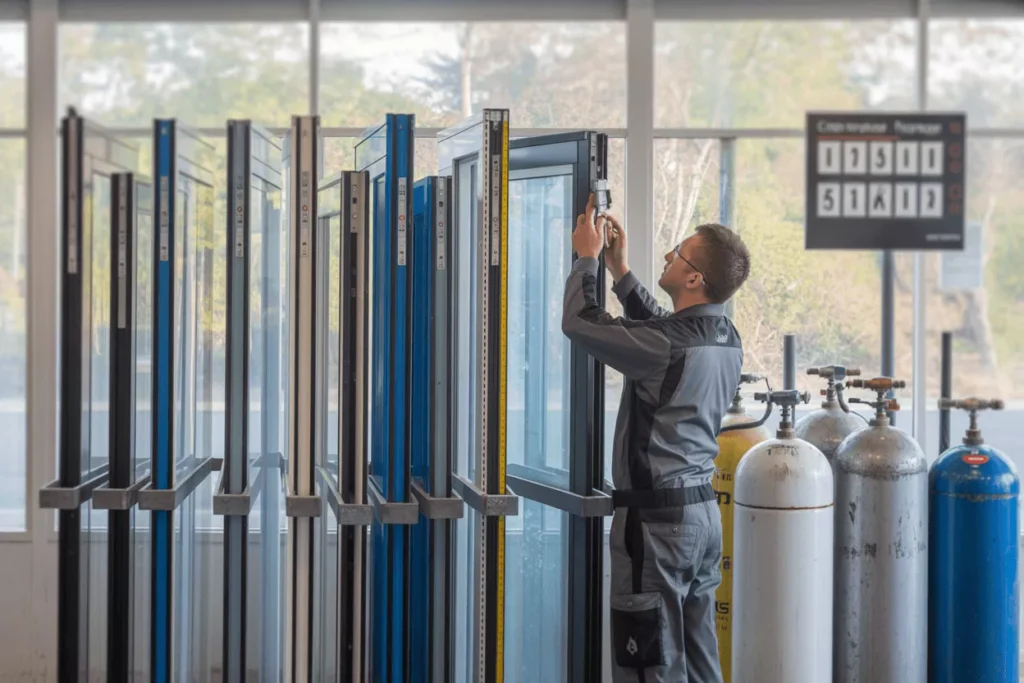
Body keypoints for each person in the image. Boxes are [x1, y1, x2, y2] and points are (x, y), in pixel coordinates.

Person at [562, 195, 751, 683]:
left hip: (656, 527)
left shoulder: (668, 346)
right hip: (702, 520)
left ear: (694, 279)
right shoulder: (725, 337)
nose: (668, 256)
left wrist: (586, 256)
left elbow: (581, 323)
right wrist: (620, 271)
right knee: (698, 659)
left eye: (678, 252)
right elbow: (661, 331)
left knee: (649, 669)